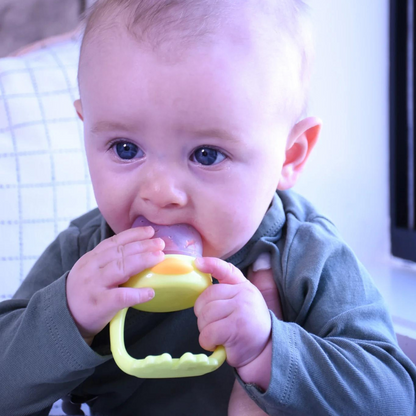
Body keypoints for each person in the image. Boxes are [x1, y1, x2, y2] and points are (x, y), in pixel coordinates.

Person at [1, 0, 415, 415]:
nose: (161, 192)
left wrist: (270, 349)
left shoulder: (305, 256)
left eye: (206, 154)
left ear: (289, 156)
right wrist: (67, 315)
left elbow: (395, 399)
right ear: (86, 126)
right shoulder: (84, 256)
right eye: (126, 149)